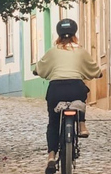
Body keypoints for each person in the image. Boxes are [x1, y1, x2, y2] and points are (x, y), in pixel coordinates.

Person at [35, 18, 101, 174]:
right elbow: (94, 70)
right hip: (75, 88)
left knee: (53, 122)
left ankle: (51, 157)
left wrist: (37, 71)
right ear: (74, 34)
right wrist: (96, 74)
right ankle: (82, 124)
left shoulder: (52, 51)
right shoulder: (80, 51)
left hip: (56, 90)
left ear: (58, 35)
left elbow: (40, 68)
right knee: (82, 91)